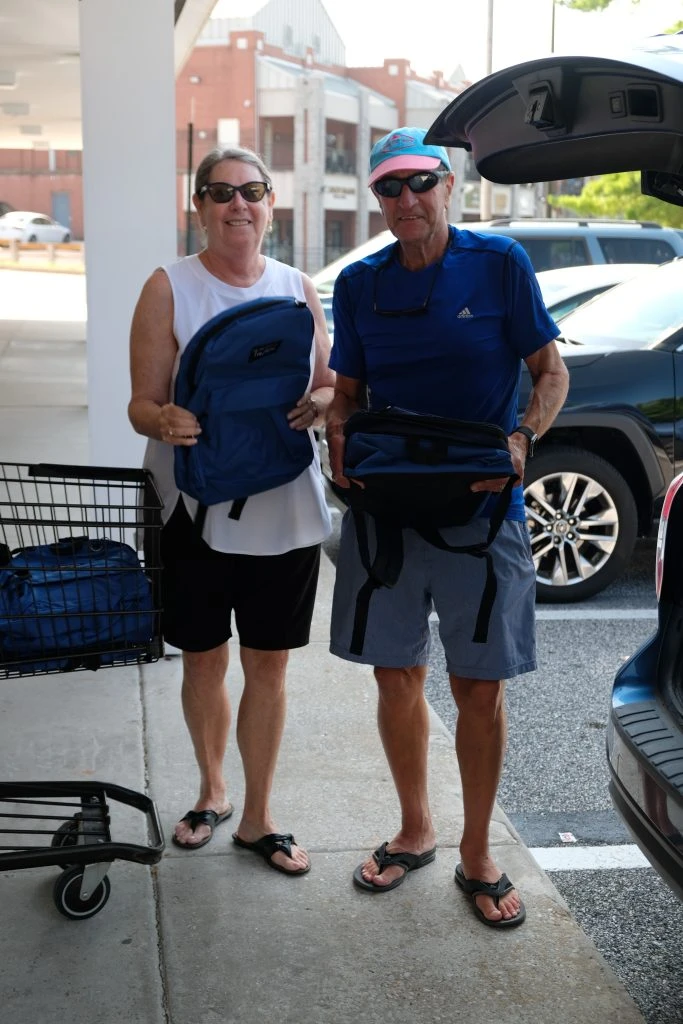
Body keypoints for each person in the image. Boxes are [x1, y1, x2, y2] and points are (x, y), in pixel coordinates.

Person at [326, 127, 569, 924]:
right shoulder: (360, 284)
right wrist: (336, 441)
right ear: (378, 201)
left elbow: (549, 370)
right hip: (387, 509)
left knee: (478, 685)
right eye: (389, 189)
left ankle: (475, 851)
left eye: (419, 184)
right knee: (394, 674)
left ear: (448, 186)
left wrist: (521, 437)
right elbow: (349, 393)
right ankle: (414, 829)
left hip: (480, 508)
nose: (406, 201)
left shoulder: (498, 266)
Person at [128, 146, 334, 874]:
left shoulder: (295, 286)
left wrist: (326, 400)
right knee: (205, 658)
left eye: (250, 191)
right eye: (220, 193)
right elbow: (140, 403)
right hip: (196, 506)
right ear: (199, 206)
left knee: (268, 664)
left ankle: (258, 816)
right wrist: (163, 421)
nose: (236, 205)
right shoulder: (169, 288)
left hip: (282, 502)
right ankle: (212, 789)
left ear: (270, 204)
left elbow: (326, 381)